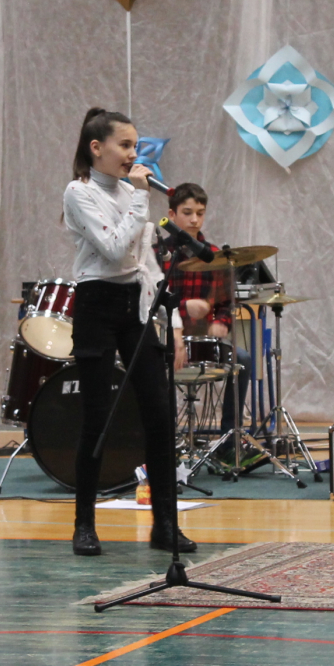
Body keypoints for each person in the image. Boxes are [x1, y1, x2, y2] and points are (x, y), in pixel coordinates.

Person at [61, 108, 190, 558]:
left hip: (135, 304)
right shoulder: (79, 192)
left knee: (159, 412)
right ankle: (84, 523)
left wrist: (174, 326)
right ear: (97, 148)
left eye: (136, 145)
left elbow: (146, 264)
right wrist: (139, 200)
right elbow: (115, 249)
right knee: (97, 415)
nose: (134, 154)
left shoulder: (134, 197)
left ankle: (165, 524)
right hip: (96, 302)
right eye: (126, 145)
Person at [154, 182, 231, 370]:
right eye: (187, 213)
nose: (194, 220)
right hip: (165, 337)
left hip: (203, 339)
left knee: (242, 360)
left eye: (200, 213)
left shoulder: (215, 255)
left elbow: (227, 303)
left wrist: (221, 323)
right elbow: (149, 303)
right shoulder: (156, 253)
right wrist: (184, 306)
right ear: (172, 214)